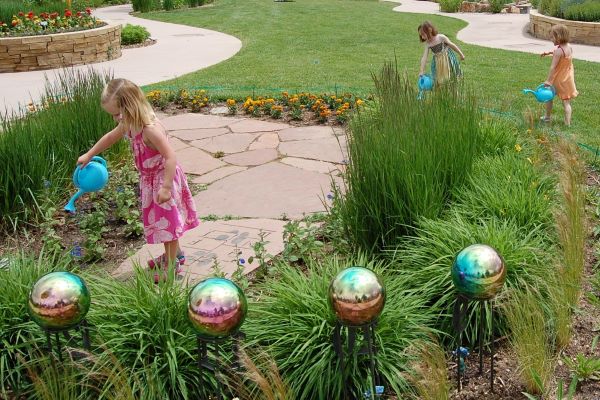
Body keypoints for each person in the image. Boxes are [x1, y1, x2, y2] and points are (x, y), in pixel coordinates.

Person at [77, 78, 199, 282]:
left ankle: (171, 267)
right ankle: (175, 255)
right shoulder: (129, 123)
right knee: (165, 223)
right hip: (150, 180)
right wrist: (89, 154)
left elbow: (170, 157)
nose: (116, 119)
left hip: (163, 179)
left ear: (131, 106)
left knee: (167, 226)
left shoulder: (150, 129)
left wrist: (167, 187)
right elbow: (110, 137)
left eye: (117, 113)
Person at [540, 24, 578, 126]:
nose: (551, 39)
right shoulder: (569, 47)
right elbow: (562, 56)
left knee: (549, 97)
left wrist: (548, 81)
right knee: (566, 103)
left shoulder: (558, 51)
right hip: (567, 78)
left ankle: (547, 117)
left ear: (559, 36)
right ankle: (567, 124)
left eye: (552, 37)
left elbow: (553, 67)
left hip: (558, 79)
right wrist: (549, 53)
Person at [418, 21, 465, 85]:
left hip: (447, 59)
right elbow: (424, 57)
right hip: (437, 62)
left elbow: (452, 45)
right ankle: (441, 90)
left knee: (451, 75)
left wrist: (461, 54)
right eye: (421, 36)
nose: (423, 37)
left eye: (423, 35)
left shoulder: (441, 37)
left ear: (430, 30)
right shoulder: (428, 44)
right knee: (438, 78)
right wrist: (421, 70)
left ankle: (453, 89)